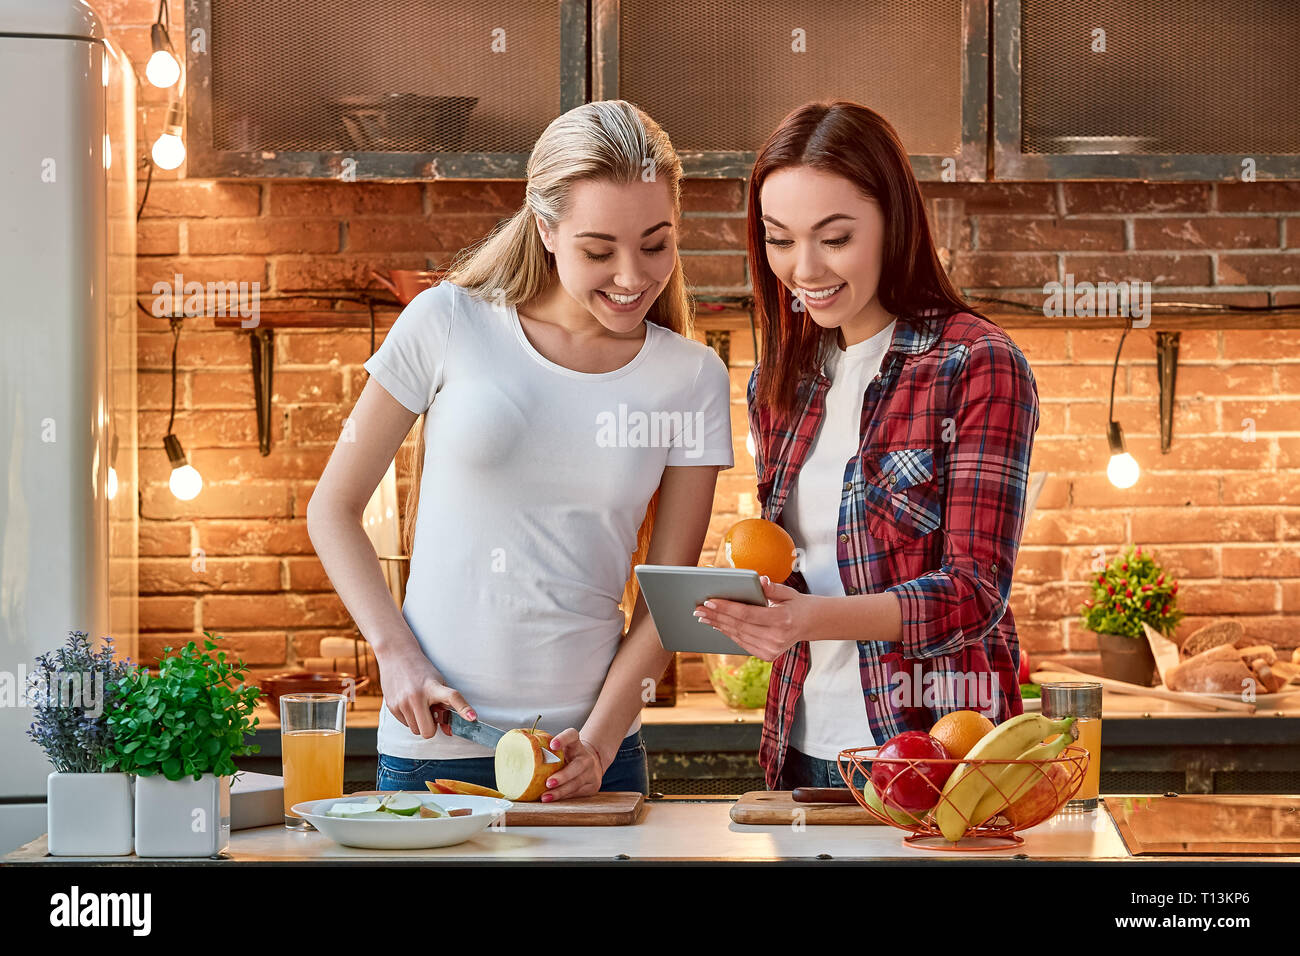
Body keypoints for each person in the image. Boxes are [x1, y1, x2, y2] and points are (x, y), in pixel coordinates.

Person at [306, 100, 734, 800]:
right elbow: (333, 508)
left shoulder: (690, 377)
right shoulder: (447, 322)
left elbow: (668, 596)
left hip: (593, 760)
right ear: (544, 229)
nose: (631, 276)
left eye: (655, 245)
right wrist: (398, 657)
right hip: (434, 746)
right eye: (599, 250)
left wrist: (595, 747)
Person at [693, 101, 1040, 791]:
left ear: (892, 224)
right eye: (780, 238)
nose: (803, 267)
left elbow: (974, 591)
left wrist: (813, 620)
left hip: (934, 753)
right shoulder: (779, 381)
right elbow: (804, 566)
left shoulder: (974, 363)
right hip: (799, 746)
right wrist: (761, 607)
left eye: (835, 237)